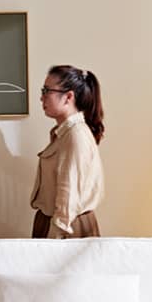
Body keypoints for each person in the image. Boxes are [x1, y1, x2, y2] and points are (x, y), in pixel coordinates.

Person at [30, 64, 104, 238]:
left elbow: (68, 193)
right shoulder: (64, 133)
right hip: (55, 223)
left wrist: (56, 237)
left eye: (47, 91)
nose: (42, 98)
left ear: (68, 97)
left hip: (67, 228)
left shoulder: (75, 135)